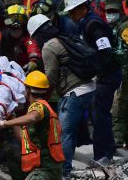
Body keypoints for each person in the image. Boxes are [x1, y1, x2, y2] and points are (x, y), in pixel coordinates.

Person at [27, 14, 96, 177]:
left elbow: (50, 78)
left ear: (37, 34)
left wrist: (34, 87)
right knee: (70, 131)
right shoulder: (64, 37)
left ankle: (63, 172)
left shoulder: (49, 46)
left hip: (75, 92)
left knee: (64, 133)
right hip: (90, 88)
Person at [64, 0, 122, 166]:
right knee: (99, 113)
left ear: (83, 8)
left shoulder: (93, 26)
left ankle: (103, 155)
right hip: (104, 75)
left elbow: (104, 52)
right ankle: (108, 150)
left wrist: (94, 72)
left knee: (99, 114)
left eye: (73, 11)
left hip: (107, 76)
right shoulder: (86, 23)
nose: (71, 15)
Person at [0, 71, 64, 180]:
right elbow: (24, 139)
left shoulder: (39, 106)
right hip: (50, 167)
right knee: (12, 151)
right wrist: (12, 117)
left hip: (44, 170)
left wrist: (4, 123)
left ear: (28, 90)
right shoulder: (46, 110)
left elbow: (32, 117)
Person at [104, 0, 128, 148]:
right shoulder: (114, 26)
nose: (110, 14)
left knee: (119, 105)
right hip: (118, 70)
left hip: (124, 71)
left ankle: (118, 139)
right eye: (108, 11)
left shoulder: (125, 27)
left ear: (120, 10)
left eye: (113, 11)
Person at [0, 4, 41, 72]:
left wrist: (33, 61)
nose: (16, 23)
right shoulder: (1, 35)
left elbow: (32, 46)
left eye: (19, 19)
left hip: (24, 70)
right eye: (12, 19)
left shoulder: (28, 37)